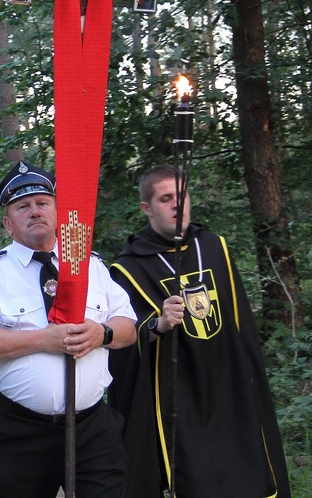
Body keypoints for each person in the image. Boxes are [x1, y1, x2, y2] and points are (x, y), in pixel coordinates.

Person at [0, 161, 137, 497]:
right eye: (22, 206)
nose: (35, 211)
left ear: (58, 211)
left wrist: (102, 333)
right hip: (23, 433)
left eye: (43, 203)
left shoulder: (90, 265)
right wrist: (45, 339)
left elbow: (128, 327)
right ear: (8, 224)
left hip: (93, 429)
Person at [108, 165, 290, 497]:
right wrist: (158, 325)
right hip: (178, 397)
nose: (178, 205)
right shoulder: (128, 268)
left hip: (229, 385)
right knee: (197, 482)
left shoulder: (214, 247)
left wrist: (251, 377)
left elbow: (240, 322)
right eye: (166, 198)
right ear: (146, 208)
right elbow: (123, 342)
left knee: (247, 474)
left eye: (182, 195)